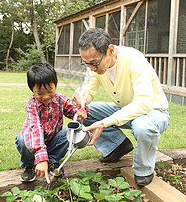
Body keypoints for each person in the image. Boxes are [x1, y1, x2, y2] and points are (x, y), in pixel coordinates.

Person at [72, 28, 170, 186]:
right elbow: (89, 89)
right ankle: (115, 147)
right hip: (125, 108)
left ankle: (143, 169)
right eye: (86, 63)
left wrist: (105, 123)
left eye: (94, 63)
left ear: (110, 50)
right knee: (85, 113)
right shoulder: (94, 64)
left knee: (142, 126)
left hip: (153, 112)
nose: (91, 68)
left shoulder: (134, 59)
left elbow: (144, 102)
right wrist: (82, 97)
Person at [15, 63, 88, 184]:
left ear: (55, 85)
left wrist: (80, 111)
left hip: (53, 141)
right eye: (40, 93)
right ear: (31, 89)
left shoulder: (60, 99)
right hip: (35, 143)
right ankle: (29, 165)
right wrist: (41, 158)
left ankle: (53, 161)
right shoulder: (32, 105)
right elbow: (35, 131)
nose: (46, 96)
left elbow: (73, 111)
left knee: (70, 131)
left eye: (50, 91)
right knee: (22, 139)